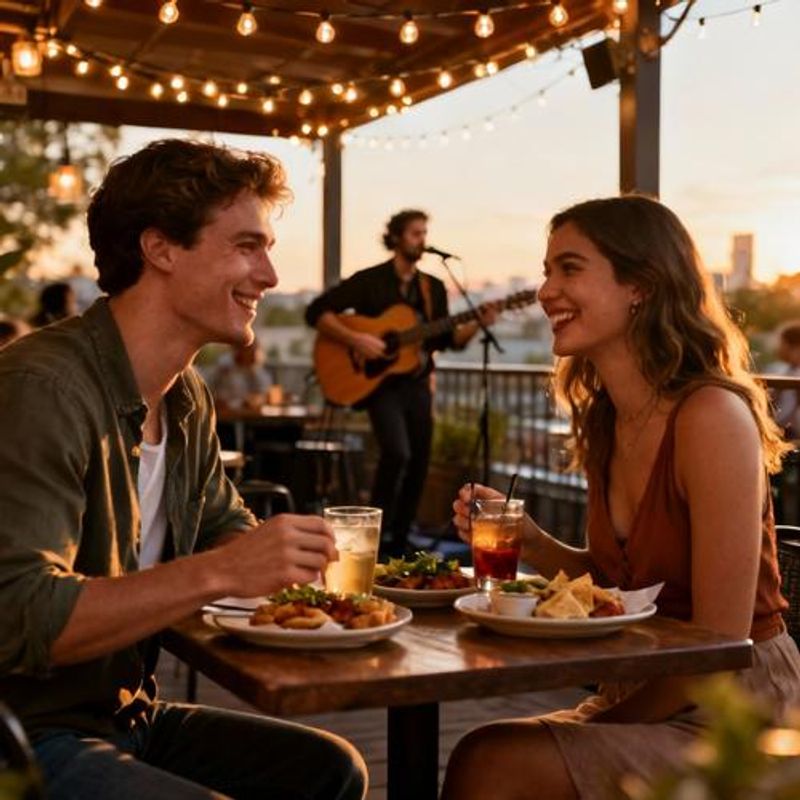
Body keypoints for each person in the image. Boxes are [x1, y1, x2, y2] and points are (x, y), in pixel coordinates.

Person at [0, 139, 366, 800]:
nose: (271, 276)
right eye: (246, 246)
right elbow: (17, 615)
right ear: (160, 248)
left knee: (330, 770)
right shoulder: (43, 387)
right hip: (21, 731)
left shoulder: (185, 394)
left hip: (123, 713)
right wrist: (225, 570)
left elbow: (224, 523)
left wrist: (268, 559)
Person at [442, 196, 800, 800]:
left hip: (737, 711)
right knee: (484, 751)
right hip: (644, 695)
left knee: (492, 761)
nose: (545, 290)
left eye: (570, 268)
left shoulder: (711, 417)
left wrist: (596, 722)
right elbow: (617, 590)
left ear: (640, 285)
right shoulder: (608, 419)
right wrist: (531, 540)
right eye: (547, 270)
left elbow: (718, 645)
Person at [305, 209, 496, 556]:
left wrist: (478, 322)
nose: (422, 240)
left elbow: (449, 341)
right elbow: (316, 311)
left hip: (418, 384)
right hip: (379, 385)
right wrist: (356, 340)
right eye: (415, 233)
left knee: (420, 459)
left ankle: (399, 538)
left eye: (424, 233)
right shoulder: (370, 280)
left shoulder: (432, 287)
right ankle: (375, 536)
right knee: (397, 452)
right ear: (395, 237)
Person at [210, 338, 274, 411]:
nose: (254, 354)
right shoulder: (225, 365)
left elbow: (264, 394)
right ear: (240, 349)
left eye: (255, 349)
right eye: (249, 349)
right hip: (226, 416)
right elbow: (216, 394)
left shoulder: (258, 370)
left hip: (249, 415)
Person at [765, 320, 800, 437]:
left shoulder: (795, 375)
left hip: (790, 433)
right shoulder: (781, 370)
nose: (778, 347)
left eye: (781, 343)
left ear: (793, 346)